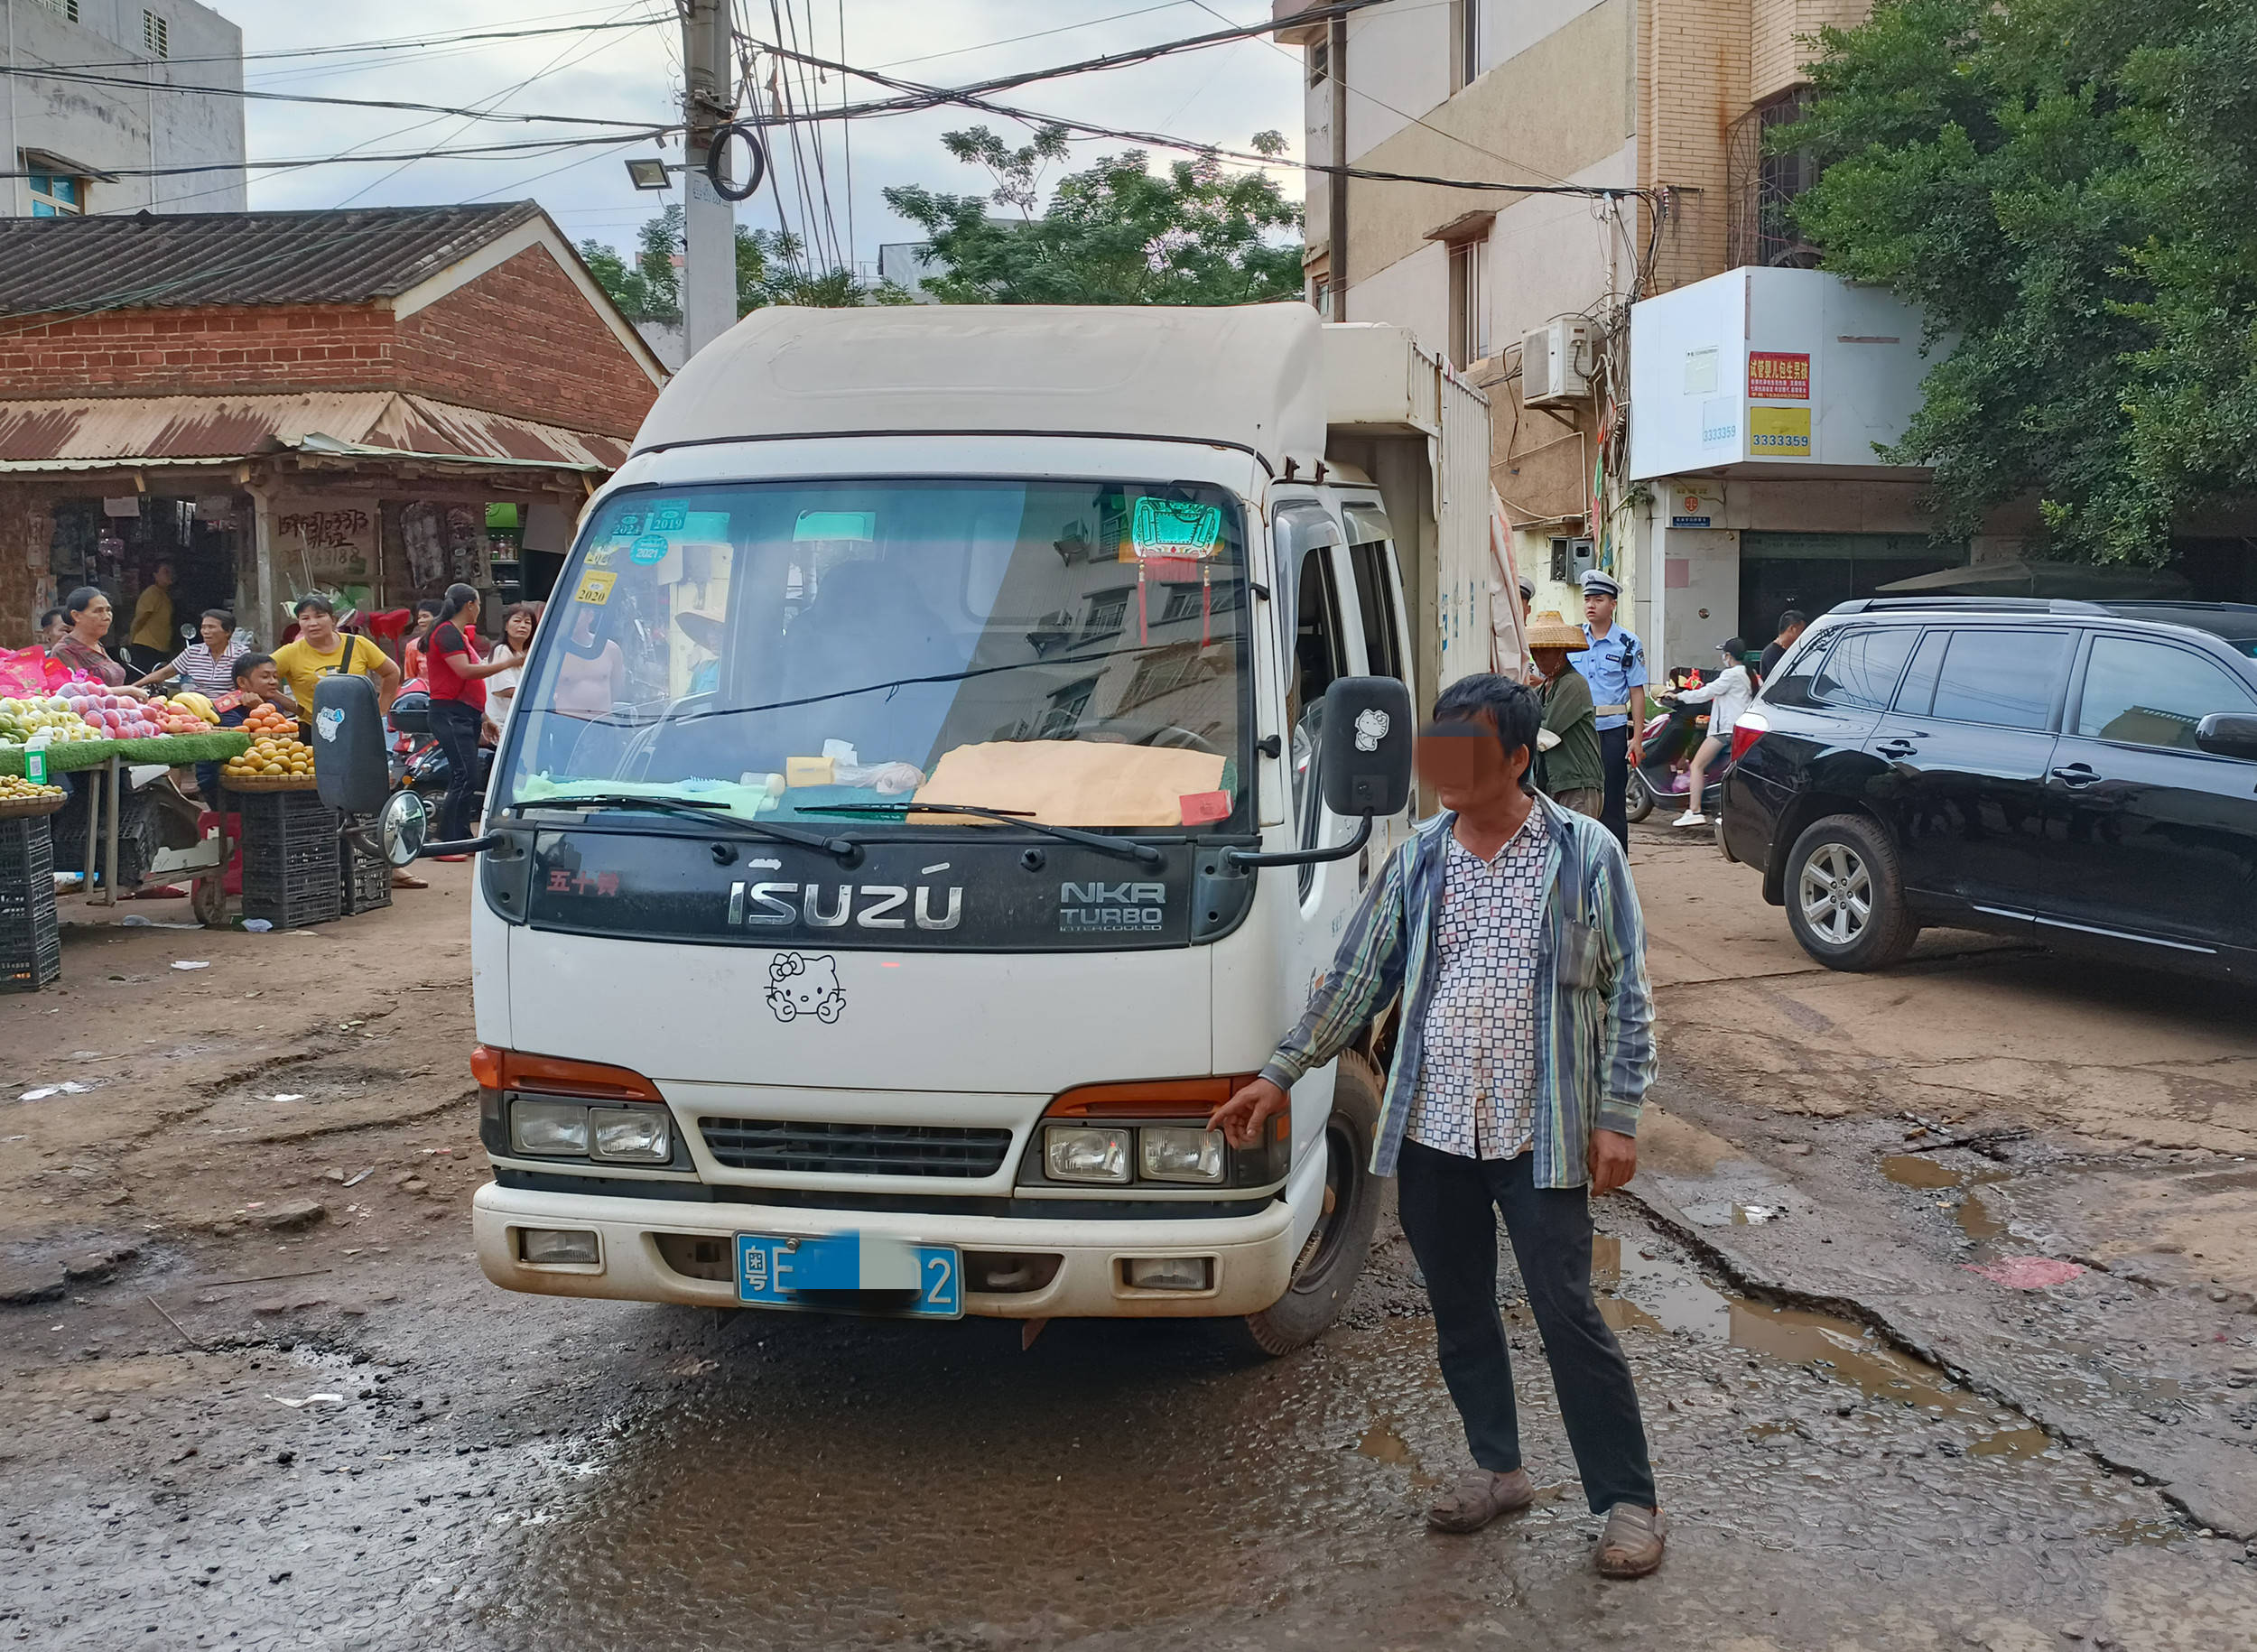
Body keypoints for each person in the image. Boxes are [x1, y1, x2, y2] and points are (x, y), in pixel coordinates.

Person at [1210, 673, 1665, 1579]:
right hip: (1433, 1131)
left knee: (1566, 1314)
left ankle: (1626, 1502)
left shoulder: (1586, 855)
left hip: (1544, 1136)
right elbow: (1352, 982)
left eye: (1464, 748)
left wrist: (1618, 1117)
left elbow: (1629, 998)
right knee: (1458, 1314)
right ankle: (1498, 1471)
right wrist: (1277, 1073)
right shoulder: (1417, 858)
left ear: (1515, 757)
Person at [423, 583, 515, 854]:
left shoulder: (458, 634)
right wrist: (508, 663)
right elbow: (465, 672)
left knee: (466, 776)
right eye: (478, 604)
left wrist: (484, 716)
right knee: (465, 775)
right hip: (449, 712)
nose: (479, 610)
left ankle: (460, 835)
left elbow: (466, 681)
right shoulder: (446, 633)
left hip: (464, 713)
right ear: (470, 605)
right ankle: (448, 840)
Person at [1570, 570, 1647, 849]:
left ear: (1613, 604)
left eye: (1598, 599)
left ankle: (1616, 872)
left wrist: (1637, 738)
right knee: (1576, 800)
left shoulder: (1628, 643)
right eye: (1587, 599)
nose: (1590, 605)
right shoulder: (1572, 638)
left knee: (1612, 803)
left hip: (1611, 732)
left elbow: (1637, 692)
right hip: (1577, 732)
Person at [271, 595, 401, 729]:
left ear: (333, 620)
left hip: (358, 728)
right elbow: (259, 678)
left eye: (319, 616)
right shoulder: (290, 653)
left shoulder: (357, 644)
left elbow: (392, 672)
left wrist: (380, 711)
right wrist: (296, 708)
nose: (313, 623)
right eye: (305, 618)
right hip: (312, 730)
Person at [1669, 638, 1755, 828]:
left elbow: (1705, 692)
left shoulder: (1731, 675)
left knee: (1697, 765)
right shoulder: (1751, 675)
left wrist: (1678, 696)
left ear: (1729, 656)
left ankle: (1694, 810)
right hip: (1742, 730)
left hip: (1724, 731)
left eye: (1724, 654)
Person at [1527, 611, 1603, 818]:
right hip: (1553, 783)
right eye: (1536, 651)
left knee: (1575, 846)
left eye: (1547, 651)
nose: (1540, 657)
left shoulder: (1573, 683)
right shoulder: (1542, 689)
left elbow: (1547, 730)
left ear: (1561, 651)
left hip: (1577, 783)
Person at [49, 587, 147, 692]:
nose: (106, 617)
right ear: (76, 616)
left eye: (108, 610)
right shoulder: (64, 650)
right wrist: (126, 691)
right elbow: (77, 692)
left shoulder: (98, 645)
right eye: (98, 611)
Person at [135, 608, 242, 696]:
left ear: (228, 632)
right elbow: (164, 673)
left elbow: (250, 686)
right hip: (196, 705)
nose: (205, 632)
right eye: (203, 627)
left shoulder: (240, 654)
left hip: (228, 708)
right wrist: (132, 688)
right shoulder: (192, 652)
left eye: (211, 627)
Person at [482, 600, 542, 743]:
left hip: (517, 725)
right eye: (517, 621)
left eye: (527, 622)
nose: (522, 626)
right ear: (506, 626)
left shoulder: (522, 656)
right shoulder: (503, 651)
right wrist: (541, 697)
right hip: (503, 728)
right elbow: (505, 689)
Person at [125, 561, 177, 675]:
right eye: (165, 572)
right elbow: (141, 618)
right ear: (155, 575)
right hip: (147, 645)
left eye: (171, 572)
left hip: (160, 646)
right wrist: (131, 636)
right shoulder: (152, 593)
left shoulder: (164, 594)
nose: (170, 574)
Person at [401, 598, 442, 682]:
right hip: (424, 693)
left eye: (425, 616)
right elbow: (410, 679)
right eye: (419, 617)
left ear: (438, 618)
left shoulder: (453, 641)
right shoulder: (413, 646)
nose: (420, 621)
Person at [1759, 610, 1807, 683]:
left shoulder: (1793, 651)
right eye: (1802, 631)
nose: (1803, 635)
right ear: (1792, 629)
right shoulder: (1771, 653)